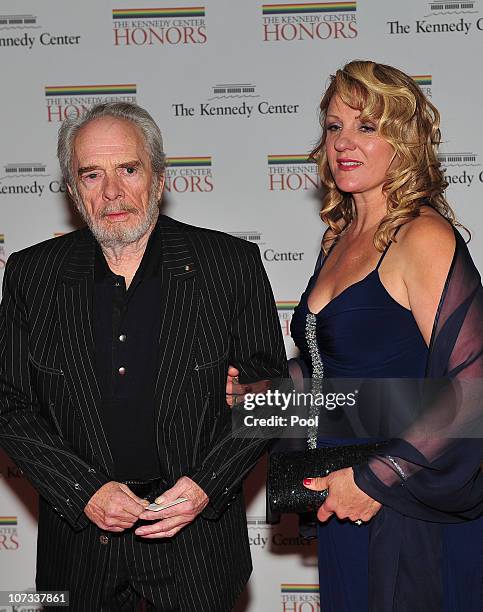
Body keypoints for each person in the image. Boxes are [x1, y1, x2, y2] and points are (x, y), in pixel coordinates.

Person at [0, 102, 287, 611]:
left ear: (158, 181)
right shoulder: (32, 276)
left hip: (197, 543)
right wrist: (84, 490)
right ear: (72, 190)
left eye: (128, 170)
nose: (112, 192)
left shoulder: (229, 266)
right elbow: (9, 405)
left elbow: (271, 396)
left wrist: (204, 486)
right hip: (79, 547)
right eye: (92, 174)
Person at [228, 60, 483, 611]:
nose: (344, 141)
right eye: (333, 125)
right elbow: (338, 370)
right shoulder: (337, 237)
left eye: (367, 127)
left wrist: (373, 480)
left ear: (403, 140)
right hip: (339, 493)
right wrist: (267, 398)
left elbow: (473, 389)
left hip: (405, 503)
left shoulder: (423, 235)